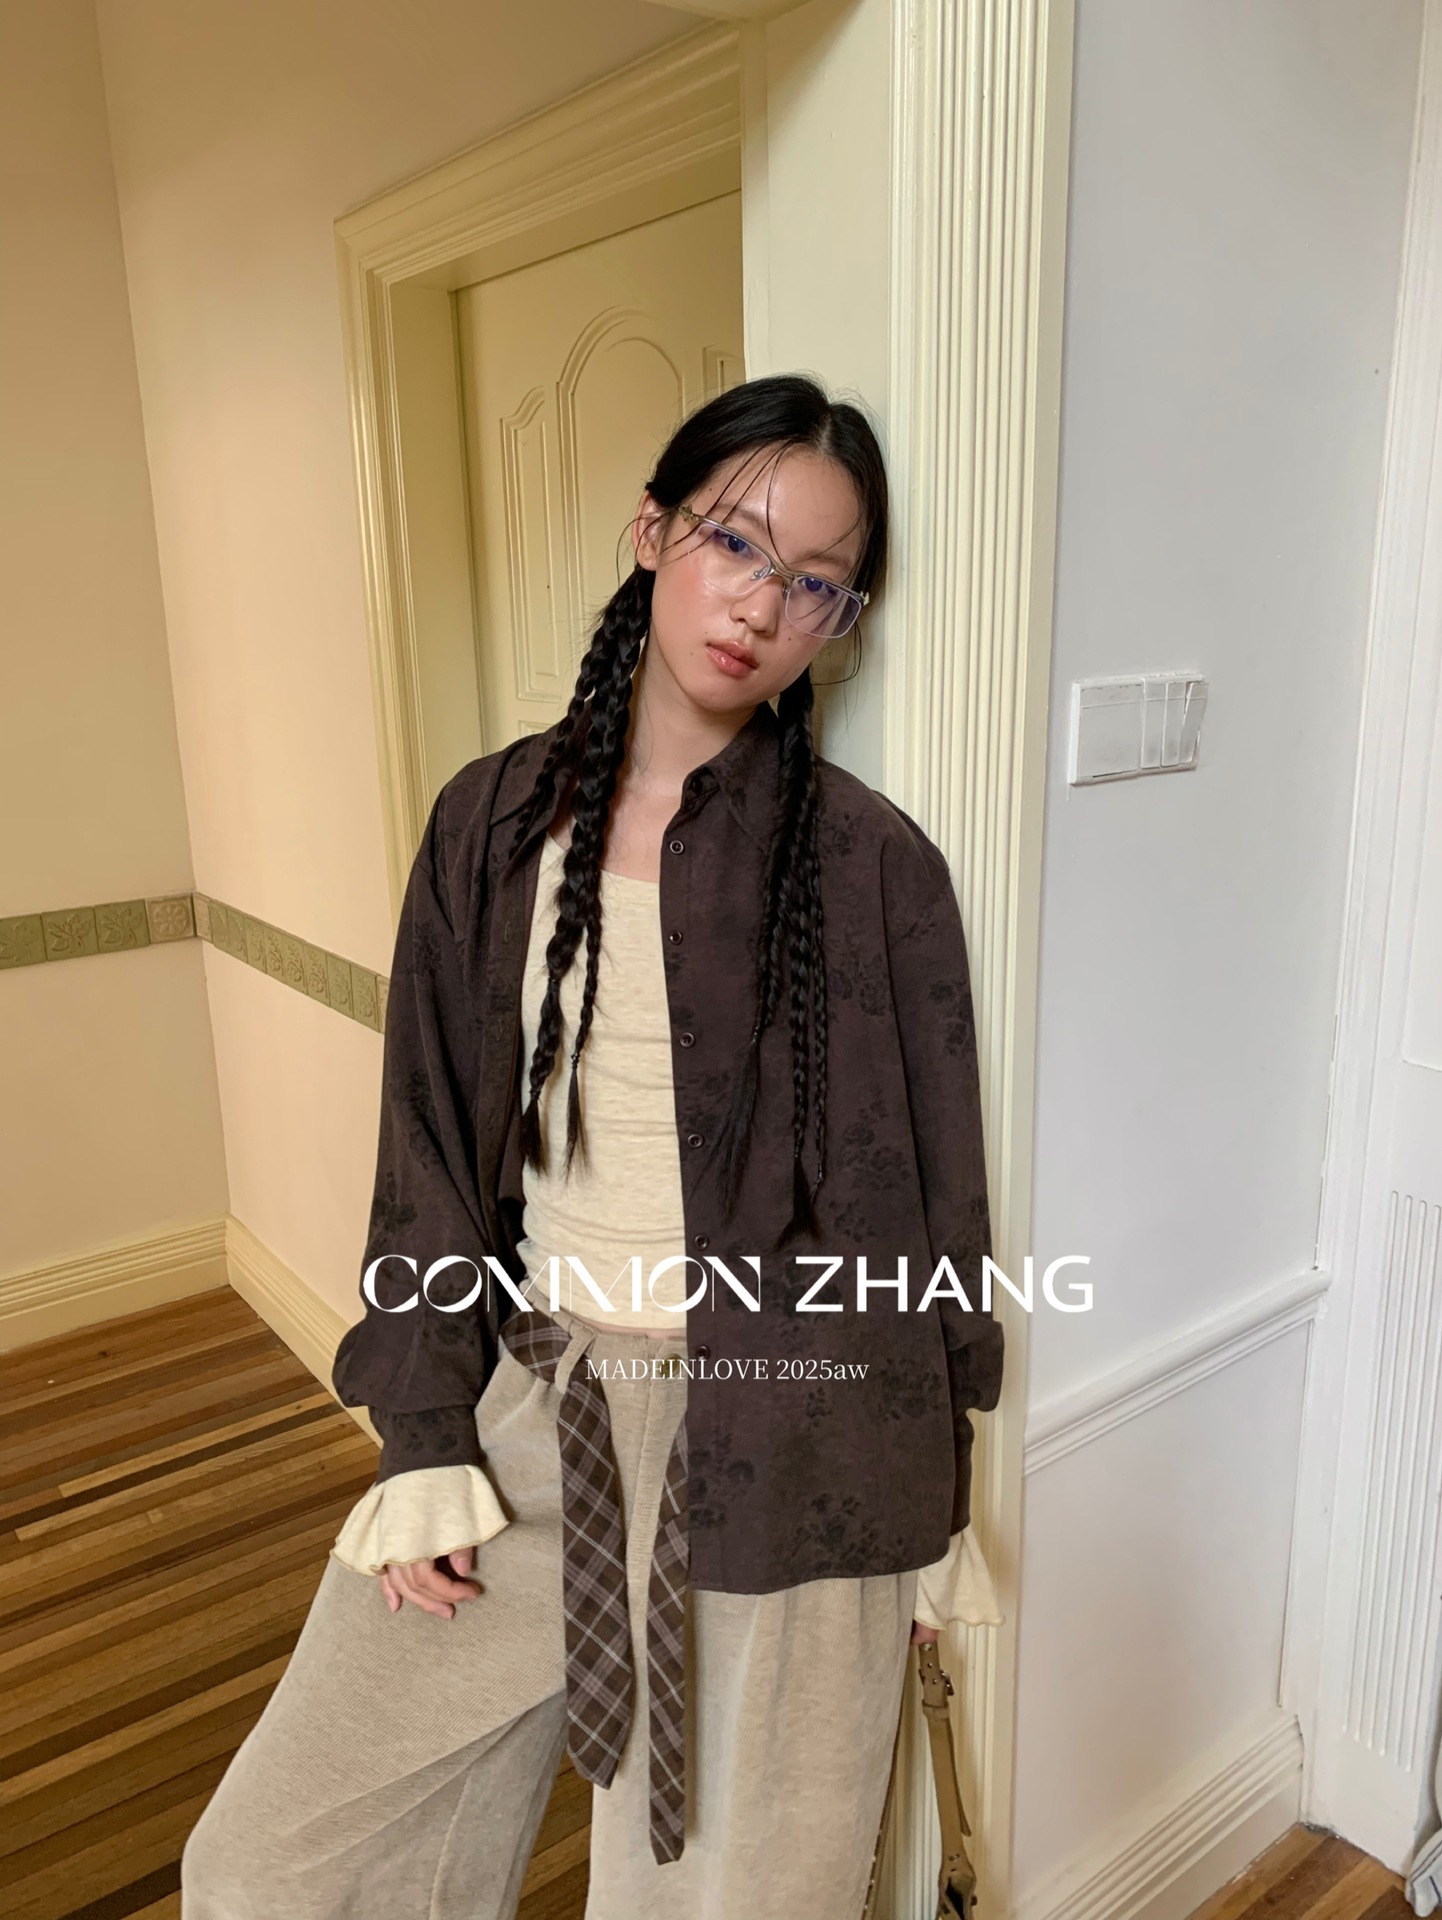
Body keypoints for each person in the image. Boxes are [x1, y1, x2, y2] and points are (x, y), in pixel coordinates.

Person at [181, 372, 1004, 1919]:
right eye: (734, 541)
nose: (761, 603)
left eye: (815, 582)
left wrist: (931, 1497)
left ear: (840, 621)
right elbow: (429, 1148)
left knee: (735, 1897)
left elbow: (922, 1208)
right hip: (534, 1415)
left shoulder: (872, 867)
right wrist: (424, 1433)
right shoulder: (491, 823)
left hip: (791, 1441)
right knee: (281, 1862)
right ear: (650, 531)